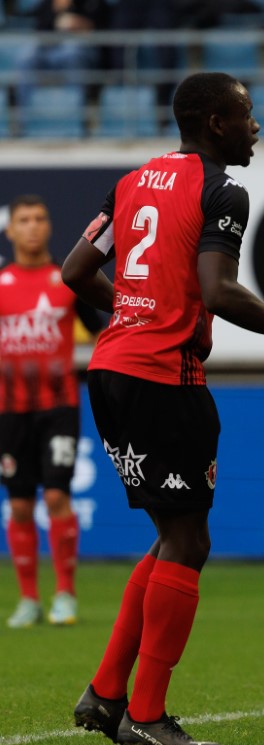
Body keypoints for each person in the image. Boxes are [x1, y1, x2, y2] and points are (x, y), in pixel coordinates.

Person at [60, 71, 264, 745]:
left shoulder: (132, 182)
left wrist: (136, 309)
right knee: (190, 542)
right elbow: (218, 292)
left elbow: (75, 271)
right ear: (214, 122)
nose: (255, 126)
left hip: (110, 368)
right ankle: (147, 714)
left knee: (173, 534)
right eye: (246, 115)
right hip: (165, 375)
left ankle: (108, 694)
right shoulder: (223, 191)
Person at [1, 196, 85, 629]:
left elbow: (107, 327)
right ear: (10, 230)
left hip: (59, 407)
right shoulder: (0, 283)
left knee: (55, 496)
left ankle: (65, 594)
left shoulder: (67, 278)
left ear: (49, 227)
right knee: (17, 504)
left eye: (40, 218)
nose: (33, 226)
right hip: (9, 412)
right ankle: (29, 599)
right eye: (24, 220)